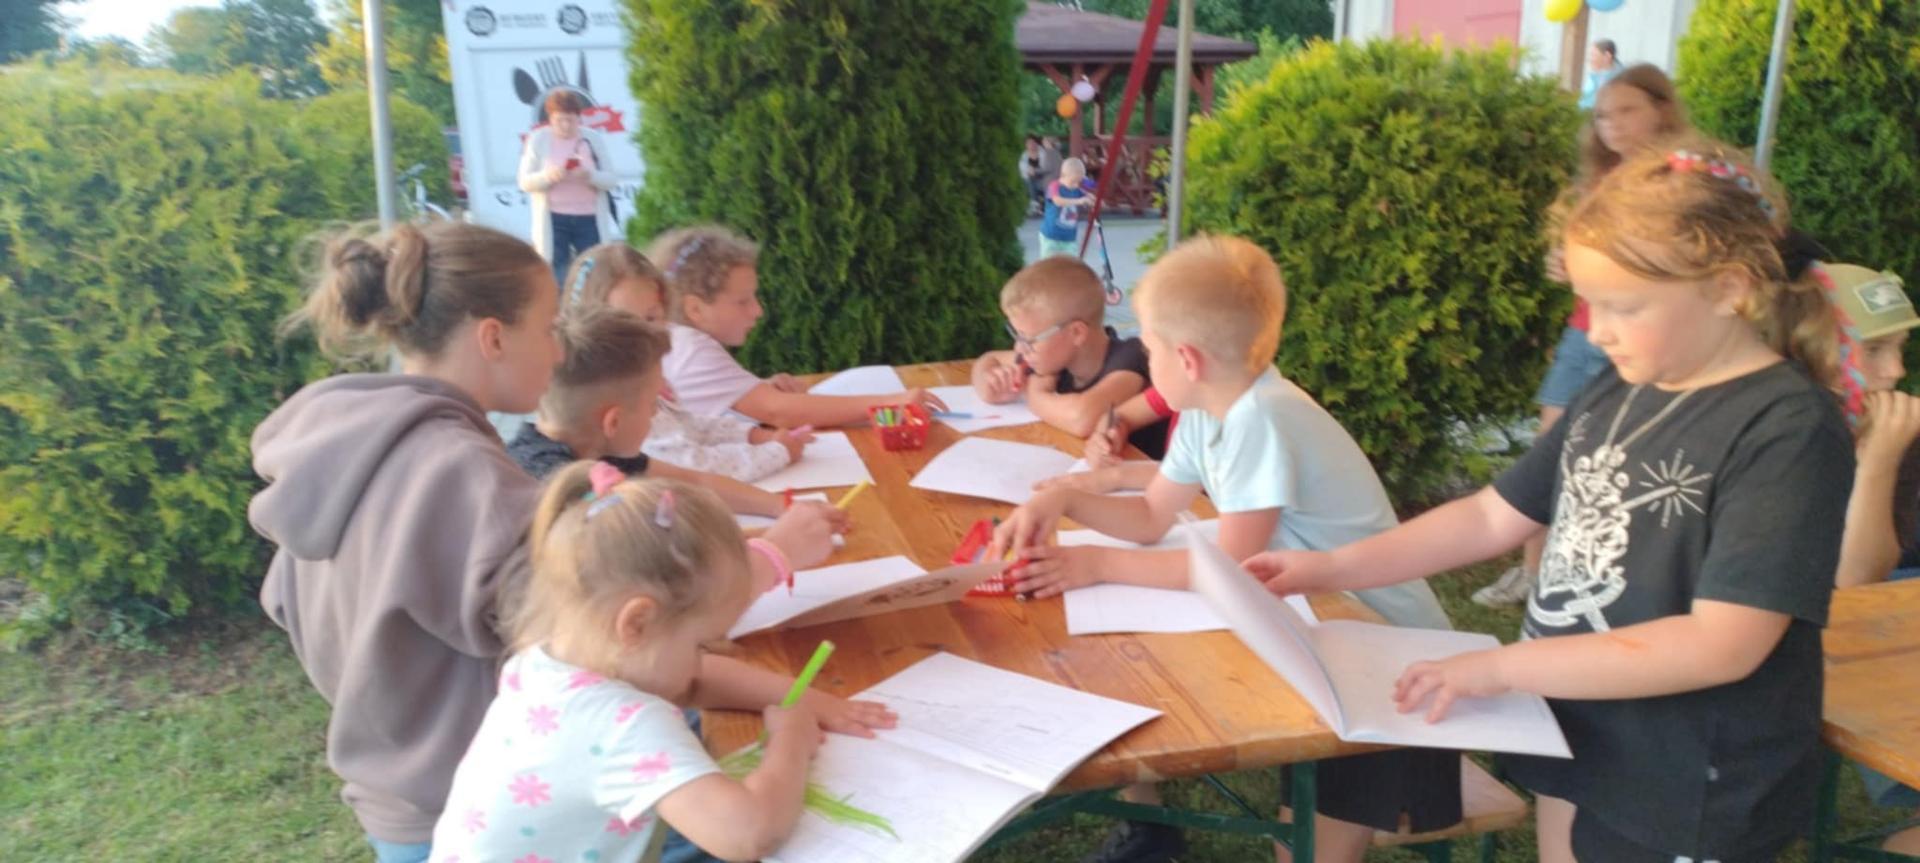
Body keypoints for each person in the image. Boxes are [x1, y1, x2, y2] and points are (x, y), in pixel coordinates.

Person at [1248, 140, 1855, 863]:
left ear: (1728, 288)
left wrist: (1503, 668)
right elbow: (1491, 515)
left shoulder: (1786, 428)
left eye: (1624, 306)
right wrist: (1331, 567)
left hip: (1686, 780)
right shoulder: (1621, 387)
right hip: (1581, 731)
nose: (1597, 330)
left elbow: (1722, 643)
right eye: (1590, 304)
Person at [992, 235, 1455, 863]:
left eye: (1150, 348)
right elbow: (1152, 515)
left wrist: (1095, 562)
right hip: (1328, 633)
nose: (1147, 361)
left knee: (1309, 850)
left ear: (1185, 359)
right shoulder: (1209, 408)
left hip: (1390, 656)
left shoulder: (1259, 418)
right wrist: (1065, 501)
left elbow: (1227, 569)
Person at [251, 221, 563, 863]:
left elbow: (284, 602)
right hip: (482, 811)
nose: (559, 353)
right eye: (550, 328)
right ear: (493, 337)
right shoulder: (463, 469)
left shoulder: (340, 446)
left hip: (391, 808)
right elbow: (574, 628)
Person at [430, 468, 898, 863]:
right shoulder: (621, 726)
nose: (703, 659)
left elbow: (696, 680)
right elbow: (748, 833)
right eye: (701, 643)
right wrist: (790, 741)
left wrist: (811, 701)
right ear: (637, 622)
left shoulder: (545, 660)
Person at [1476, 64, 1693, 607]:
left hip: (1646, 335)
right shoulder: (1597, 182)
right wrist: (1565, 263)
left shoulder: (1682, 180)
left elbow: (1670, 266)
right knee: (1550, 450)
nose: (1612, 125)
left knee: (1629, 461)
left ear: (1662, 110)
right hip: (1585, 331)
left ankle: (1607, 576)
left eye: (1627, 111)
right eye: (1601, 116)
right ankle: (1533, 572)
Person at [506, 306, 839, 533]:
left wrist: (783, 506)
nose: (656, 413)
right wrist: (776, 549)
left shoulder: (593, 445)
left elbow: (695, 481)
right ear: (613, 422)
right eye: (653, 402)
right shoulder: (560, 491)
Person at [1817, 262, 1920, 854]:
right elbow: (1850, 591)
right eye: (1876, 349)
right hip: (1832, 642)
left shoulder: (1897, 429)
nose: (1897, 371)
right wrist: (1877, 460)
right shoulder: (1776, 435)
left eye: (1900, 347)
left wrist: (1885, 454)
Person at [559, 244, 812, 483]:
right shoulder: (624, 400)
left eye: (651, 318)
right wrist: (776, 453)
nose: (643, 335)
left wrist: (755, 436)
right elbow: (689, 466)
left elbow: (690, 426)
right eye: (624, 323)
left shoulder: (651, 379)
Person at [647, 224, 946, 427]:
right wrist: (890, 403)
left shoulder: (675, 340)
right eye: (743, 301)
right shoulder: (693, 350)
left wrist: (757, 389)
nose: (758, 310)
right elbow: (777, 411)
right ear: (695, 308)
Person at [970, 255, 1163, 457]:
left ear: (1076, 333)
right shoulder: (1055, 357)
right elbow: (988, 359)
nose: (1019, 348)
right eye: (1017, 335)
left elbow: (1083, 419)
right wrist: (990, 384)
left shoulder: (1131, 357)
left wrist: (1035, 393)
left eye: (1029, 339)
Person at [518, 90, 619, 283]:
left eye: (571, 120)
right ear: (550, 119)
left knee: (593, 271)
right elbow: (524, 182)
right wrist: (548, 176)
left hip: (589, 217)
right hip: (554, 217)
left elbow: (611, 179)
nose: (565, 126)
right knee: (557, 271)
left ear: (579, 118)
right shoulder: (538, 139)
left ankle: (588, 301)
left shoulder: (592, 139)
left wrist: (590, 175)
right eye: (559, 120)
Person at [1039, 157, 1095, 259]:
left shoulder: (1077, 189)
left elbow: (1088, 193)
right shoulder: (1054, 186)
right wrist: (1079, 201)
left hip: (1069, 238)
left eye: (1078, 182)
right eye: (1073, 181)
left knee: (1072, 263)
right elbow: (1057, 201)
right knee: (1049, 263)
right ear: (1064, 175)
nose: (1076, 185)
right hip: (1051, 237)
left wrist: (1091, 199)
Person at [1577, 39, 1623, 110]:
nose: (1589, 59)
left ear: (1607, 56)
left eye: (1593, 55)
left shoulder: (1618, 81)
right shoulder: (1597, 75)